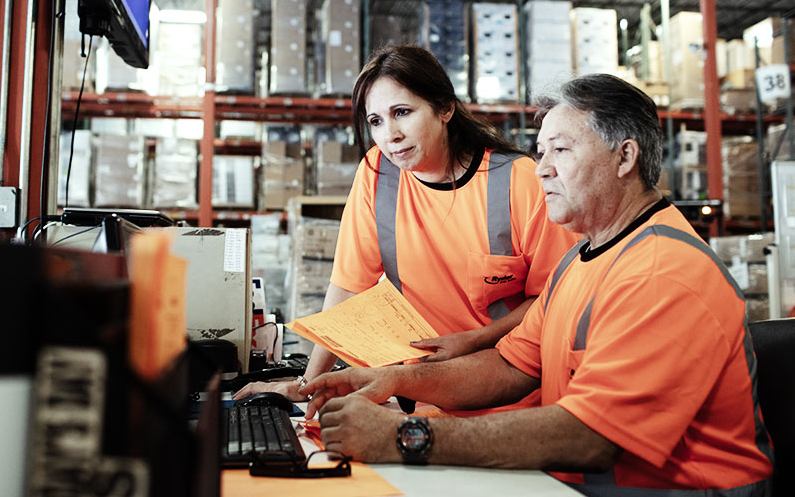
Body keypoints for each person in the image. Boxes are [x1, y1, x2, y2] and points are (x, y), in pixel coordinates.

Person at [300, 74, 774, 495]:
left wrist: (405, 436)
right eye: (541, 151)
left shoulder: (661, 273)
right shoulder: (581, 258)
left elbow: (591, 438)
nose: (541, 168)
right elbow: (509, 366)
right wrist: (391, 379)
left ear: (624, 156)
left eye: (561, 150)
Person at [236, 45, 577, 402]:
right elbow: (348, 292)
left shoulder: (519, 181)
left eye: (402, 112)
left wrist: (472, 340)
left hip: (508, 395)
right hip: (416, 392)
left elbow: (554, 297)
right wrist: (306, 386)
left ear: (444, 108)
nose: (390, 135)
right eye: (376, 121)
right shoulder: (377, 174)